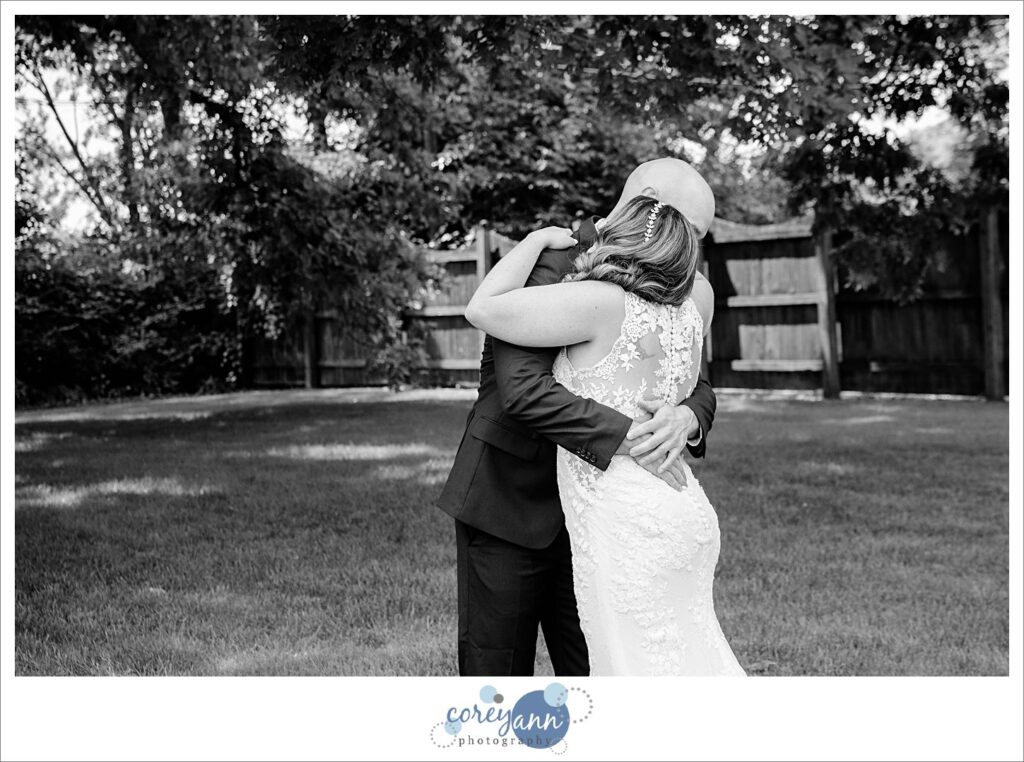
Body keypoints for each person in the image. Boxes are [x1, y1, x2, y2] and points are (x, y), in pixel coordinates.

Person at [438, 159, 727, 676]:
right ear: (651, 204)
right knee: (498, 680)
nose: (694, 252)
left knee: (600, 672)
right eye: (693, 230)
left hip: (609, 523)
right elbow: (523, 388)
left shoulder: (683, 284)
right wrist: (627, 435)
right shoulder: (553, 260)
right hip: (512, 502)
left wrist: (688, 416)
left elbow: (693, 376)